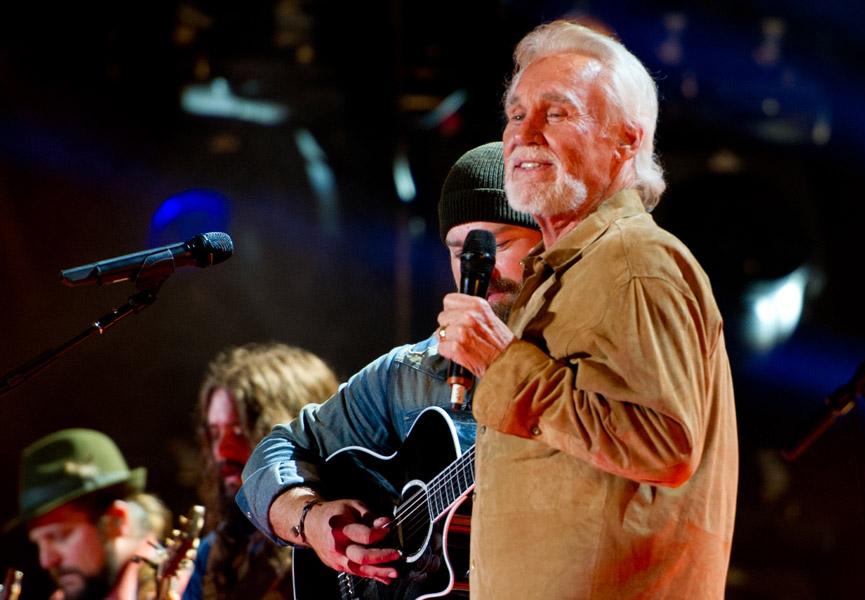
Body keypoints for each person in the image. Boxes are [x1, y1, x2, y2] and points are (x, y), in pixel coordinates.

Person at [434, 19, 739, 600]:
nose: (525, 134)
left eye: (557, 113)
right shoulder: (570, 271)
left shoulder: (633, 262)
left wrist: (505, 366)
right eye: (517, 114)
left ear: (626, 140)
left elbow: (661, 443)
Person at [236, 141, 542, 593]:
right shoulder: (410, 373)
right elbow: (276, 454)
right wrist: (312, 517)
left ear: (548, 239)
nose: (481, 269)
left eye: (499, 244)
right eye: (462, 252)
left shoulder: (575, 370)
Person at [183, 342, 340, 600]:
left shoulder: (341, 530)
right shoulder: (212, 555)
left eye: (238, 432)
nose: (221, 452)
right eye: (214, 434)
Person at [5, 428, 177, 600]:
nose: (47, 561)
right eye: (38, 544)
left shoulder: (186, 588)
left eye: (60, 536)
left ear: (117, 521)